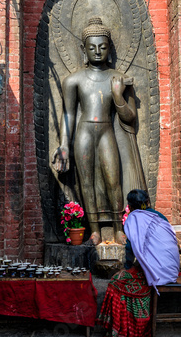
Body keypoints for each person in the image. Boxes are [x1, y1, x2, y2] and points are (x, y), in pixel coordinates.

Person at [52, 17, 145, 245]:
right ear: (83, 50)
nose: (97, 52)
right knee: (87, 183)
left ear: (109, 49)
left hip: (106, 132)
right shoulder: (73, 80)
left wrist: (117, 96)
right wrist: (64, 145)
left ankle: (118, 228)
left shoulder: (119, 78)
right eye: (91, 48)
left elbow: (130, 118)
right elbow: (68, 114)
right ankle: (93, 230)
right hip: (83, 133)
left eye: (102, 47)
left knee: (113, 180)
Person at [97, 189, 180, 337]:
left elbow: (130, 248)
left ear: (130, 206)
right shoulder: (158, 216)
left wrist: (127, 268)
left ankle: (129, 332)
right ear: (147, 202)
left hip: (157, 272)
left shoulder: (134, 218)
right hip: (172, 270)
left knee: (116, 283)